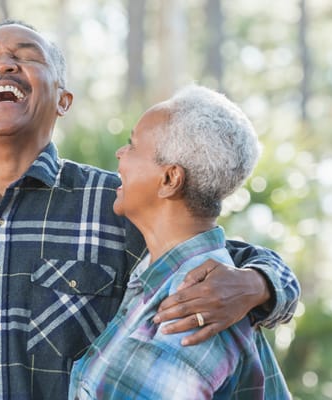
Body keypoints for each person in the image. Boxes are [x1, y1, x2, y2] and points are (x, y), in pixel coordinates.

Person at [0, 20, 299, 399]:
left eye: (26, 55)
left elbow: (208, 258)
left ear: (63, 100)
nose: (4, 61)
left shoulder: (115, 204)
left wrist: (258, 285)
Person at [68, 85, 291, 399]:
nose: (120, 153)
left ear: (170, 179)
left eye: (132, 145)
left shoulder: (186, 318)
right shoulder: (163, 284)